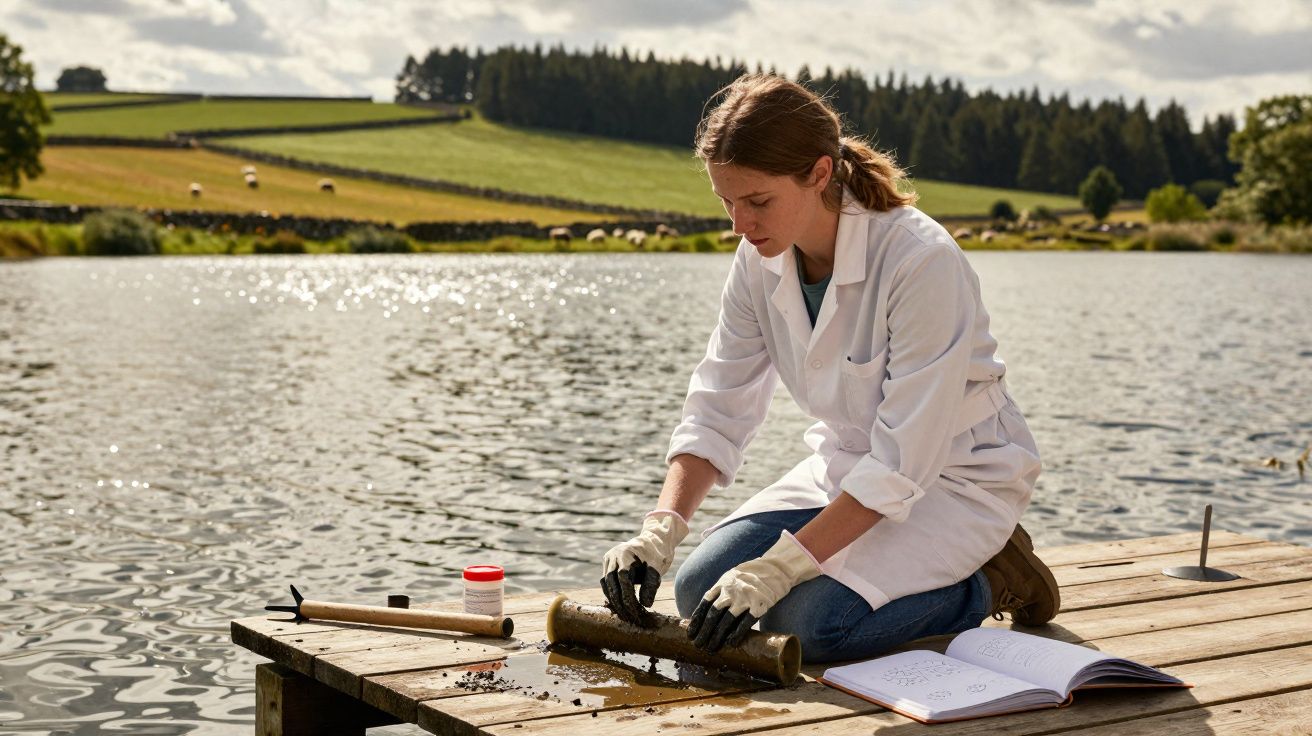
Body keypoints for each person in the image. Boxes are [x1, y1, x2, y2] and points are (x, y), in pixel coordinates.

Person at [600, 73, 1057, 664]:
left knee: (811, 626)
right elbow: (720, 401)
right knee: (696, 593)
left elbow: (902, 461)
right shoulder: (757, 257)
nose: (738, 224)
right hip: (844, 471)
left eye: (757, 201)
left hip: (954, 478)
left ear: (819, 174)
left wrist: (779, 569)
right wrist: (660, 529)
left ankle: (991, 579)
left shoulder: (922, 262)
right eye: (726, 202)